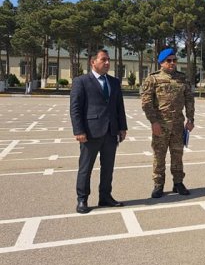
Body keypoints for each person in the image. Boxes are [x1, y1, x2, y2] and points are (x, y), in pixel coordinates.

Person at [70, 49, 127, 214]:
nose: (107, 63)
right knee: (85, 168)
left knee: (108, 167)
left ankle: (105, 197)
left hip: (111, 132)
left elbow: (119, 107)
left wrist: (122, 128)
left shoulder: (114, 82)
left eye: (108, 60)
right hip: (90, 132)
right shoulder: (81, 81)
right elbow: (75, 109)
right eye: (104, 60)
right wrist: (79, 130)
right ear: (93, 62)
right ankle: (82, 199)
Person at [141, 48, 195, 198]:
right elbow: (146, 103)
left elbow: (189, 99)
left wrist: (190, 119)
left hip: (178, 124)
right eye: (168, 61)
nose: (172, 63)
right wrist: (153, 122)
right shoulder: (153, 79)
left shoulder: (182, 78)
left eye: (174, 60)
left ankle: (178, 183)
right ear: (161, 63)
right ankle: (158, 184)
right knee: (159, 155)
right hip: (161, 124)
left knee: (177, 155)